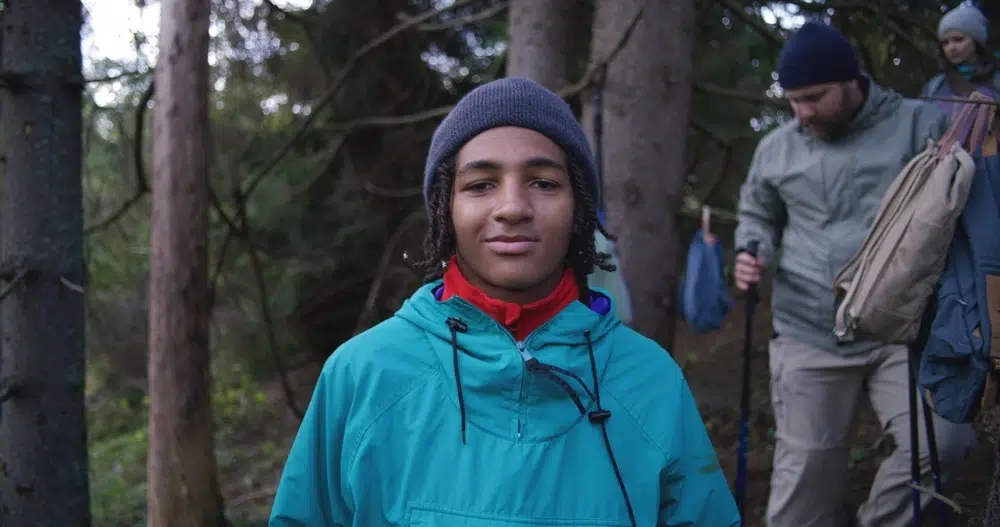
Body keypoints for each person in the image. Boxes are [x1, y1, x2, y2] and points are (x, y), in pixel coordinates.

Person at [268, 77, 740, 527]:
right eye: (480, 184)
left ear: (579, 208)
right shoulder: (363, 374)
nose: (513, 207)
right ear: (444, 209)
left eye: (543, 182)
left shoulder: (651, 381)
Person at [733, 21, 979, 527]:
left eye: (815, 97)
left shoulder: (919, 126)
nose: (803, 112)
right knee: (804, 485)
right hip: (808, 331)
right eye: (794, 101)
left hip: (903, 330)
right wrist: (751, 248)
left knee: (945, 444)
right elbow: (757, 213)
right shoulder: (777, 148)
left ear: (851, 79)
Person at [921, 3, 999, 115]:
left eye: (958, 39)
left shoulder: (996, 80)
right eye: (945, 43)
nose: (951, 48)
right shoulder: (935, 86)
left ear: (976, 41)